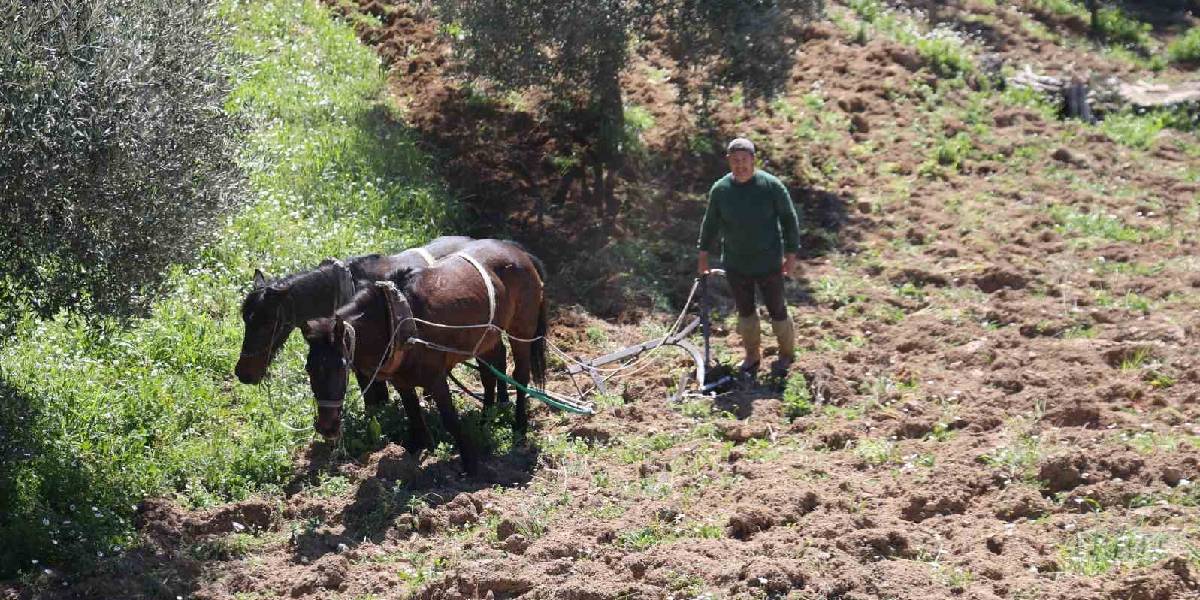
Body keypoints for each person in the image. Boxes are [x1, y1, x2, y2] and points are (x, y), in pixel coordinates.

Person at [697, 137, 801, 375]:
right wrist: (703, 254)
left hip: (769, 262)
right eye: (735, 160)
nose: (740, 165)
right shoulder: (721, 190)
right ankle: (752, 355)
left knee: (777, 309)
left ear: (753, 160)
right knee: (745, 311)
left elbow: (789, 220)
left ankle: (786, 354)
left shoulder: (771, 186)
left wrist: (791, 254)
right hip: (736, 263)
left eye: (744, 160)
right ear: (728, 161)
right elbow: (710, 224)